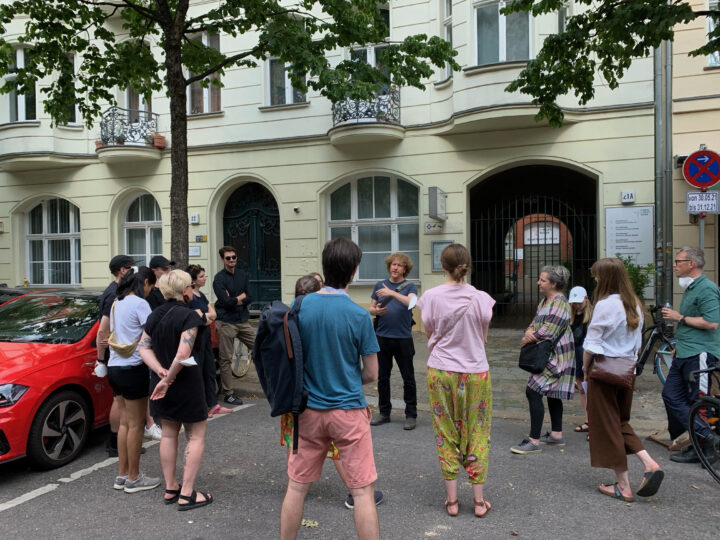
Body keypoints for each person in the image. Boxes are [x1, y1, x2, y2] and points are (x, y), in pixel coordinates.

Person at [280, 238, 380, 540]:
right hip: (348, 411)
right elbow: (372, 373)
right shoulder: (360, 316)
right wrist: (349, 378)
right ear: (353, 271)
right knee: (362, 493)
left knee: (296, 488)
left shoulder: (298, 307)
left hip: (307, 410)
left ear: (324, 266)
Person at [416, 244, 495, 518]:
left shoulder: (431, 297)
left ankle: (451, 501)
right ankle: (478, 500)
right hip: (475, 372)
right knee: (477, 431)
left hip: (441, 371)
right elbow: (483, 338)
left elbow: (429, 332)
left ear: (442, 265)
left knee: (445, 430)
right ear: (468, 265)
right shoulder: (482, 298)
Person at [583, 257, 663, 501]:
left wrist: (586, 370)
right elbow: (637, 344)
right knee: (620, 422)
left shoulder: (605, 305)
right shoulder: (634, 304)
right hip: (626, 370)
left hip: (604, 371)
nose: (595, 279)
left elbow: (592, 344)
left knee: (607, 427)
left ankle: (623, 486)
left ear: (605, 278)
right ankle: (649, 463)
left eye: (597, 275)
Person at [138, 270, 213, 510]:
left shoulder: (155, 315)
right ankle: (188, 493)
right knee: (196, 435)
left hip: (161, 382)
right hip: (186, 383)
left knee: (169, 434)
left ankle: (171, 487)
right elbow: (183, 354)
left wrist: (160, 371)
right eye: (190, 286)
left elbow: (143, 348)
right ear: (184, 291)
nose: (192, 289)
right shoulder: (188, 316)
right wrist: (168, 378)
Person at [661, 247, 720, 464]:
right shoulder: (690, 288)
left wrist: (679, 318)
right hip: (685, 351)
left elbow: (712, 322)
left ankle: (705, 449)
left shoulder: (707, 289)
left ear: (691, 264)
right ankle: (705, 438)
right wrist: (680, 342)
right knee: (671, 395)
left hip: (700, 353)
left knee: (698, 401)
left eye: (678, 261)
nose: (675, 265)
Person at [107, 267, 163, 493]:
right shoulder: (140, 303)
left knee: (124, 424)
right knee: (136, 425)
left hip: (114, 367)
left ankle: (122, 475)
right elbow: (152, 331)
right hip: (133, 368)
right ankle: (134, 478)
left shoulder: (116, 302)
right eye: (151, 285)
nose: (151, 290)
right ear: (145, 283)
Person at [511, 265, 575, 454]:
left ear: (554, 283)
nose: (538, 282)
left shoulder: (560, 303)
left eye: (543, 280)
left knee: (533, 390)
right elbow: (535, 323)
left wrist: (529, 337)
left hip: (557, 355)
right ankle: (556, 435)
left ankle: (534, 441)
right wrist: (529, 332)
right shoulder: (546, 301)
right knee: (553, 393)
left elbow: (549, 331)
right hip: (550, 352)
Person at [369, 253, 419, 430]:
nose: (395, 267)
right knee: (383, 377)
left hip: (403, 338)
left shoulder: (410, 286)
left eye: (399, 265)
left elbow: (412, 303)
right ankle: (384, 413)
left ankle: (411, 414)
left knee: (408, 378)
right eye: (393, 264)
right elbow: (371, 307)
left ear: (405, 269)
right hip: (382, 337)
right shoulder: (379, 285)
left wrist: (391, 293)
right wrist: (375, 312)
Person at [96, 254, 135, 457]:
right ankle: (114, 443)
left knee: (121, 400)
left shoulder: (118, 291)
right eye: (132, 267)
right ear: (122, 270)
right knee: (119, 400)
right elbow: (103, 329)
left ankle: (119, 442)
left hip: (117, 352)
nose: (134, 271)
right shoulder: (114, 294)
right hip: (117, 354)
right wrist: (100, 359)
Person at [186, 264, 232, 418]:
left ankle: (212, 404)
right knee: (198, 372)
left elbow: (212, 314)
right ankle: (202, 405)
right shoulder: (190, 297)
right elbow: (198, 318)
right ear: (193, 280)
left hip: (206, 337)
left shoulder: (201, 295)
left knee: (210, 370)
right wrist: (205, 317)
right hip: (196, 339)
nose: (205, 278)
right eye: (201, 276)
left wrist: (205, 316)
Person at [213, 245, 254, 405]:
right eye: (228, 258)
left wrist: (234, 299)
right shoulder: (219, 279)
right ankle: (228, 393)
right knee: (225, 359)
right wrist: (239, 298)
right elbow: (225, 302)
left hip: (242, 320)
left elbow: (250, 296)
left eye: (234, 257)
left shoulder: (242, 275)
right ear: (223, 259)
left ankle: (270, 381)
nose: (231, 260)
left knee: (261, 346)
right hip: (226, 322)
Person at [569, 286, 592, 436]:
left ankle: (596, 424)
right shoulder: (571, 315)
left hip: (587, 355)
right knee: (582, 389)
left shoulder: (591, 315)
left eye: (579, 302)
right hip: (576, 355)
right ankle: (588, 420)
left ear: (586, 299)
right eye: (574, 302)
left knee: (591, 390)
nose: (577, 305)